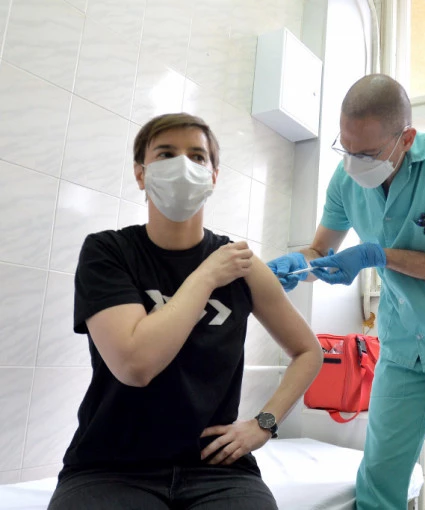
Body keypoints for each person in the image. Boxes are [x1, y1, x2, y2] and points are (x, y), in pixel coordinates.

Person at [48, 113, 323, 510]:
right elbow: (136, 365)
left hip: (218, 470)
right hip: (109, 467)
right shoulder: (108, 253)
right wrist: (206, 276)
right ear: (141, 174)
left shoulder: (242, 266)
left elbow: (308, 351)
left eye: (197, 156)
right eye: (166, 154)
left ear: (213, 176)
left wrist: (264, 424)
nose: (183, 165)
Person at [266, 74, 425, 509]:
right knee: (380, 473)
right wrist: (295, 264)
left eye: (367, 153)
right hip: (404, 347)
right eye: (346, 148)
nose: (354, 162)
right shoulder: (347, 180)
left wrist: (377, 255)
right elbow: (320, 250)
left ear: (406, 139)